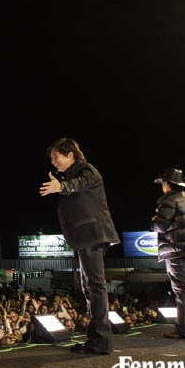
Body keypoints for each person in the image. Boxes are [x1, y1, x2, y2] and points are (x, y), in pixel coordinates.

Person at [40, 137, 119, 355]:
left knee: (95, 286)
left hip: (92, 235)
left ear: (70, 155)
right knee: (89, 287)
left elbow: (78, 185)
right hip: (86, 237)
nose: (53, 162)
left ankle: (101, 341)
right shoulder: (71, 175)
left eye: (55, 157)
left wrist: (61, 186)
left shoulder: (86, 170)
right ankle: (96, 340)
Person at [151, 167, 185, 339]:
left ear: (167, 184)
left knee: (180, 289)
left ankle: (184, 330)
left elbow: (161, 225)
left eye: (163, 183)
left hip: (176, 248)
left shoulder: (169, 200)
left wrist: (154, 220)